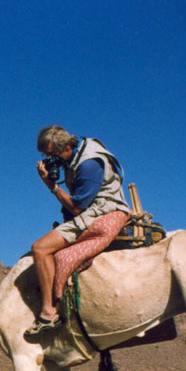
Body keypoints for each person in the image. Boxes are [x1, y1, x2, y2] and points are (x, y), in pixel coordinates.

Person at [25, 125, 131, 337]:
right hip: (92, 207)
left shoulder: (89, 164)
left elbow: (77, 207)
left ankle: (48, 313)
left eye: (52, 154)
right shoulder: (78, 151)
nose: (51, 159)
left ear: (65, 147)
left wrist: (51, 185)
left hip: (103, 209)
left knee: (40, 248)